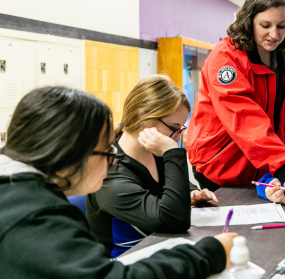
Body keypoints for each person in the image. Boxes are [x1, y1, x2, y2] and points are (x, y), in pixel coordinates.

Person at [0, 86, 236, 279]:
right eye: (105, 151)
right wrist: (207, 254)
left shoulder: (6, 185)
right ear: (69, 152)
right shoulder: (30, 216)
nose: (113, 160)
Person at [187, 0, 285, 203]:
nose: (275, 34)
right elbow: (243, 117)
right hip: (220, 164)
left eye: (281, 26)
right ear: (248, 20)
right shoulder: (225, 58)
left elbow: (278, 110)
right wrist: (283, 163)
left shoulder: (281, 55)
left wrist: (275, 159)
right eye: (265, 25)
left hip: (259, 161)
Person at [87, 75, 218, 258]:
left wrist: (190, 194)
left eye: (181, 129)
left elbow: (178, 184)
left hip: (160, 252)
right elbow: (173, 222)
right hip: (124, 265)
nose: (178, 137)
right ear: (143, 115)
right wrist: (172, 152)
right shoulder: (109, 175)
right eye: (174, 128)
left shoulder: (154, 153)